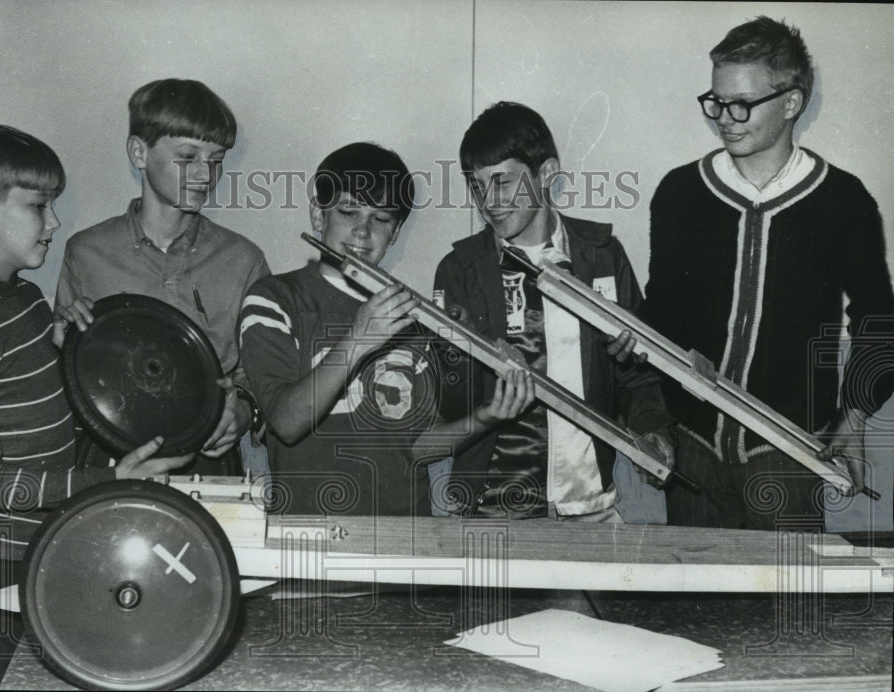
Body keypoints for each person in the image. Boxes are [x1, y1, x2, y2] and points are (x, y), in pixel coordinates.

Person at [0, 124, 191, 689]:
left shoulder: (22, 295)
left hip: (46, 543)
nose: (55, 222)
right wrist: (104, 480)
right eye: (39, 205)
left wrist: (69, 343)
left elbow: (38, 399)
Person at [635, 17, 894, 529]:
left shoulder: (844, 202)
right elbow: (661, 311)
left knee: (785, 607)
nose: (724, 119)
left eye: (741, 104)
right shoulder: (680, 192)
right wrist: (650, 407)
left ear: (791, 103)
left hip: (789, 456)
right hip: (692, 450)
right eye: (715, 101)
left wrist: (856, 414)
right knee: (697, 607)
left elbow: (878, 318)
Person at [238, 142, 533, 516]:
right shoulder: (275, 297)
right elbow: (285, 421)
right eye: (348, 211)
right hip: (309, 534)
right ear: (318, 215)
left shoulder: (411, 313)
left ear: (395, 234)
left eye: (381, 219)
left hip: (405, 537)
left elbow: (416, 446)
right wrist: (360, 338)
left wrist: (488, 417)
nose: (362, 232)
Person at [433, 102, 675, 522]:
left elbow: (638, 374)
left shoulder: (601, 256)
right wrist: (466, 359)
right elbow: (447, 402)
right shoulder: (460, 271)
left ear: (546, 175)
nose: (489, 202)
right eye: (477, 186)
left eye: (503, 183)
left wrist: (653, 431)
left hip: (592, 505)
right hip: (492, 511)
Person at [55, 78, 269, 475]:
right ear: (139, 152)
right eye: (188, 157)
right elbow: (67, 373)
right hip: (110, 459)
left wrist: (242, 411)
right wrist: (62, 337)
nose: (206, 174)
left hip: (208, 463)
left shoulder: (243, 259)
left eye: (217, 159)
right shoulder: (87, 252)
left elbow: (260, 376)